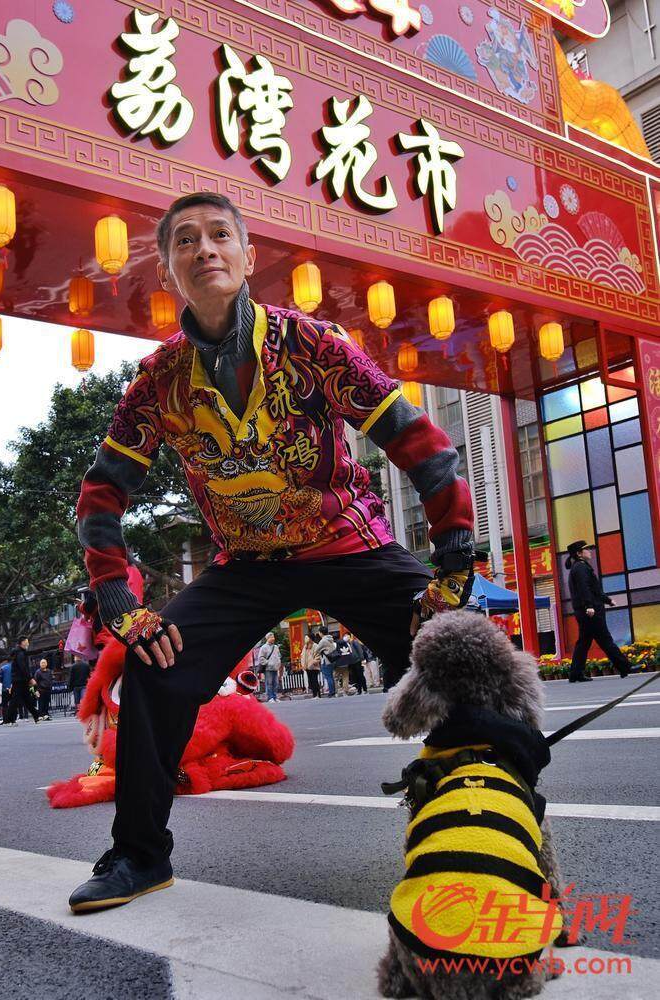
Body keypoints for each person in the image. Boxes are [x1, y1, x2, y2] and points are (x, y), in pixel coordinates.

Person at [69, 191, 475, 912]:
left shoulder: (316, 346)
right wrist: (120, 603)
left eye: (220, 235)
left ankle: (487, 835)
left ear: (248, 257)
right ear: (167, 272)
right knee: (153, 665)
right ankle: (138, 854)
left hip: (346, 544)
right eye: (185, 241)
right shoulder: (157, 381)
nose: (205, 250)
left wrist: (451, 564)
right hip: (244, 566)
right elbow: (101, 493)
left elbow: (421, 445)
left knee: (455, 651)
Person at [566, 540, 631, 682]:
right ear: (579, 554)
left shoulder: (580, 567)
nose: (589, 551)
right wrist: (589, 606)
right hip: (590, 612)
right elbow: (584, 589)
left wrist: (608, 600)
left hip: (587, 611)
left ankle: (576, 673)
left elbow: (594, 590)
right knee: (605, 640)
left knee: (584, 642)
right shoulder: (580, 568)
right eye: (586, 549)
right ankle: (625, 667)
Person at [8, 637, 39, 724]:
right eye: (26, 642)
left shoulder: (20, 652)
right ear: (22, 643)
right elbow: (23, 668)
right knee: (15, 700)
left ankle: (36, 715)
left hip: (21, 679)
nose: (28, 644)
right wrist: (30, 678)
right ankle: (9, 719)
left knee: (27, 699)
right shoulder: (20, 653)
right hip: (19, 680)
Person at [256, 633, 281, 703]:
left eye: (273, 637)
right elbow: (260, 658)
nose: (273, 638)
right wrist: (268, 663)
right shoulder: (264, 647)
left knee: (276, 683)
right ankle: (270, 697)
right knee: (269, 683)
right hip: (268, 669)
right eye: (271, 637)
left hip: (275, 668)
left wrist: (278, 662)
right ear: (268, 638)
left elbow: (279, 656)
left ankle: (275, 697)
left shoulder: (276, 647)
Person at [315, 630, 338, 697]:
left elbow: (316, 650)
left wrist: (320, 651)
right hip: (332, 660)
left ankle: (331, 692)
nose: (319, 633)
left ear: (321, 633)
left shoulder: (323, 641)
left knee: (328, 677)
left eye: (319, 632)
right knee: (331, 676)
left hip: (326, 660)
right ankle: (333, 691)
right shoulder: (330, 639)